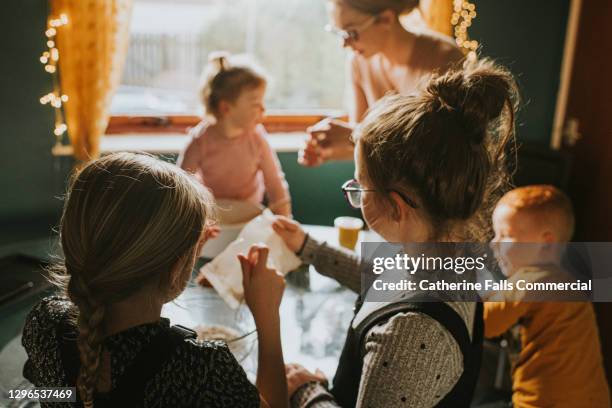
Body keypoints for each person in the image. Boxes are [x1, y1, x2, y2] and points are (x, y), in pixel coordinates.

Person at [273, 59, 518, 407]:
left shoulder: (411, 335)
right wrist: (309, 248)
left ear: (396, 206)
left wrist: (306, 393)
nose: (354, 195)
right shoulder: (447, 250)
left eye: (360, 187)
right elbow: (383, 281)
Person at [22, 152, 288, 408]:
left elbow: (58, 392)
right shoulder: (199, 368)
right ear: (175, 271)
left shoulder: (45, 323)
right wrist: (267, 317)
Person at [484, 185, 610, 408]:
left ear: (545, 244)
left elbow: (484, 323)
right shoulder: (567, 281)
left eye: (505, 235)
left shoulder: (533, 279)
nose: (494, 243)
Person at [299, 0, 464, 167]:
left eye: (351, 33)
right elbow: (363, 142)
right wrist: (328, 149)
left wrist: (355, 135)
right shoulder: (358, 61)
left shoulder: (445, 58)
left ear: (386, 19)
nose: (344, 44)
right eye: (339, 33)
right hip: (383, 183)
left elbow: (440, 149)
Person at [178, 52, 292, 216]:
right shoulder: (200, 139)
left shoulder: (257, 137)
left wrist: (285, 218)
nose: (263, 109)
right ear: (226, 108)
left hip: (249, 216)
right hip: (213, 218)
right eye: (256, 104)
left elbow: (274, 182)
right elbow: (182, 183)